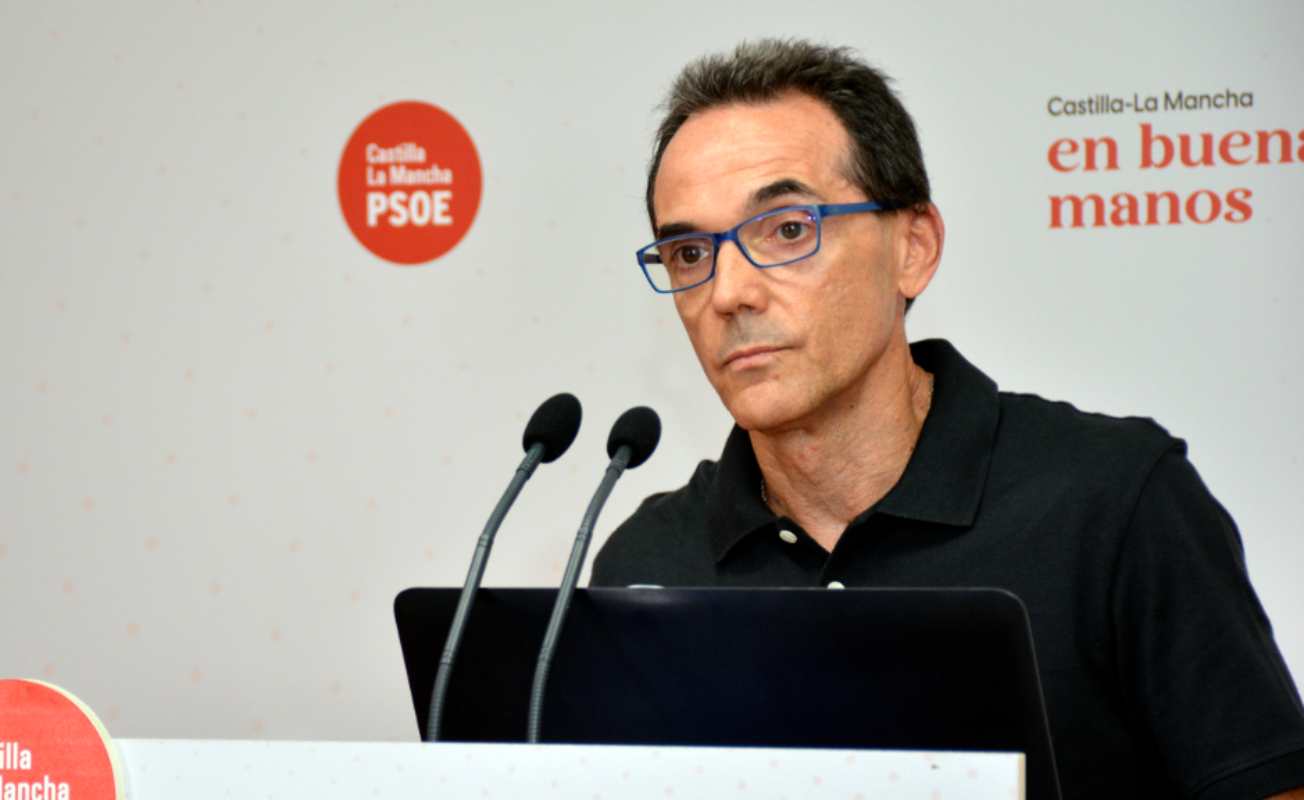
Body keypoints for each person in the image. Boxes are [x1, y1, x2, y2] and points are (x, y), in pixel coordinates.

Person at [590, 39, 1304, 799]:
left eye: (788, 229)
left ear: (914, 247)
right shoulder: (646, 565)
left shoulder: (1114, 501)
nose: (728, 292)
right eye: (689, 251)